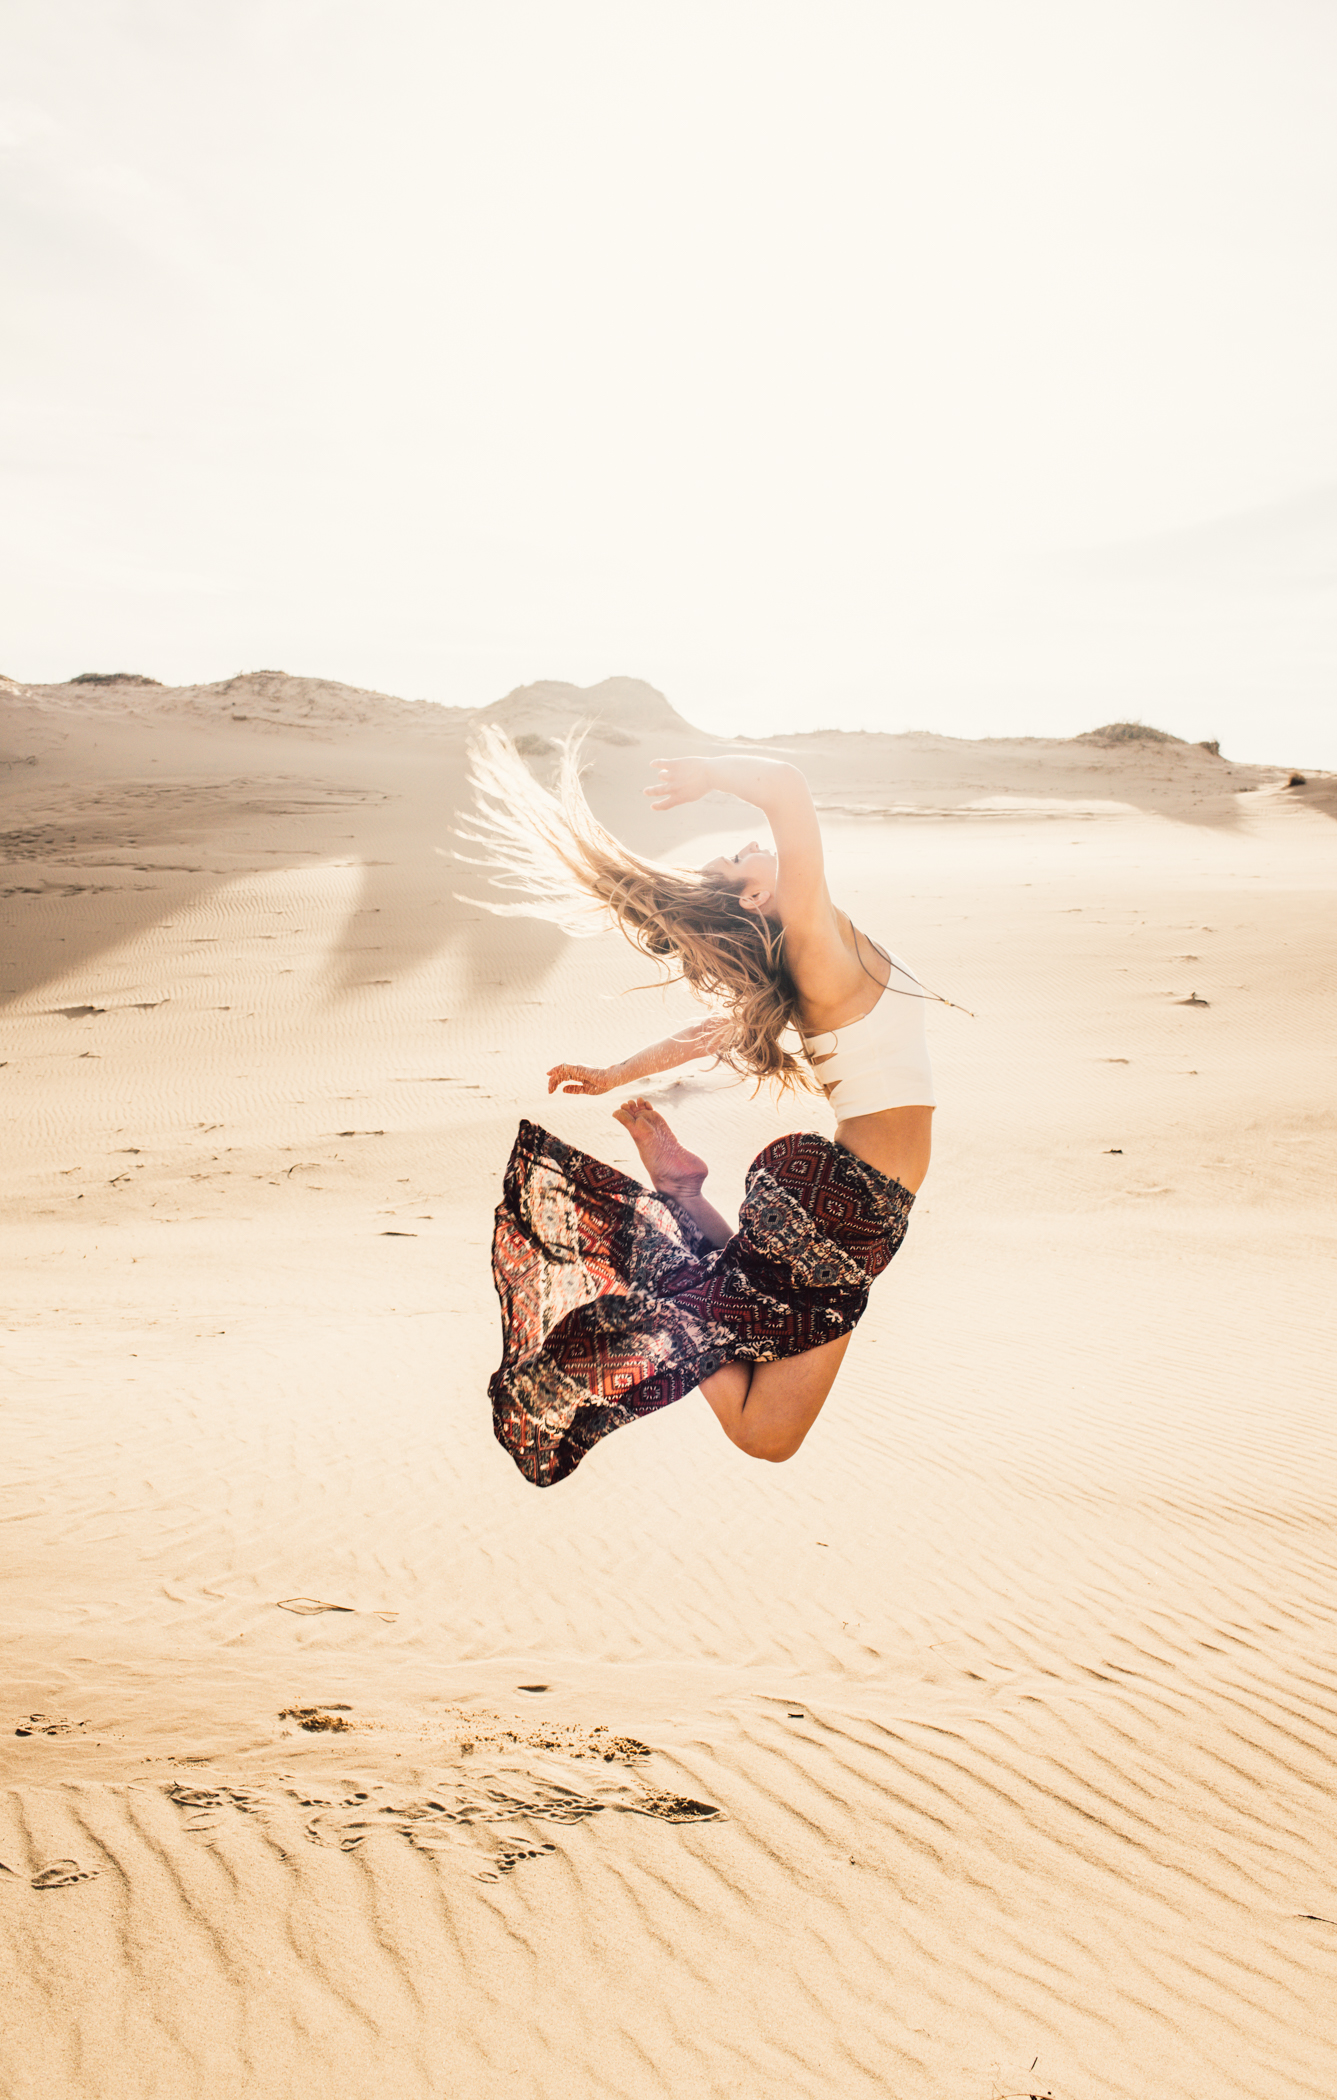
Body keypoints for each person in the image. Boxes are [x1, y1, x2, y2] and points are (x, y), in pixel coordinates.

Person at [462, 731, 938, 1488]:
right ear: (756, 898)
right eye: (738, 862)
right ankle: (659, 1256)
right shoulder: (809, 935)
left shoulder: (809, 955)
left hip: (843, 1199)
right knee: (762, 1431)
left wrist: (618, 1070)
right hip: (845, 1204)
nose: (751, 845)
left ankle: (679, 1209)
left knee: (762, 1427)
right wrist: (713, 775)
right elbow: (783, 786)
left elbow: (706, 1030)